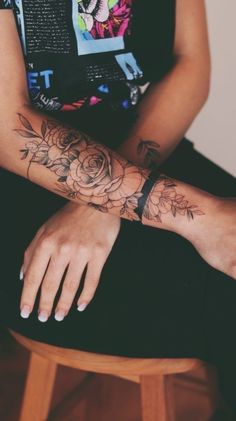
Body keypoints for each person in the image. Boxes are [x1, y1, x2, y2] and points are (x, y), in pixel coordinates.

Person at [0, 0, 236, 417]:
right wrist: (200, 217)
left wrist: (104, 203)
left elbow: (191, 65)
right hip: (19, 177)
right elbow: (7, 127)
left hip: (138, 140)